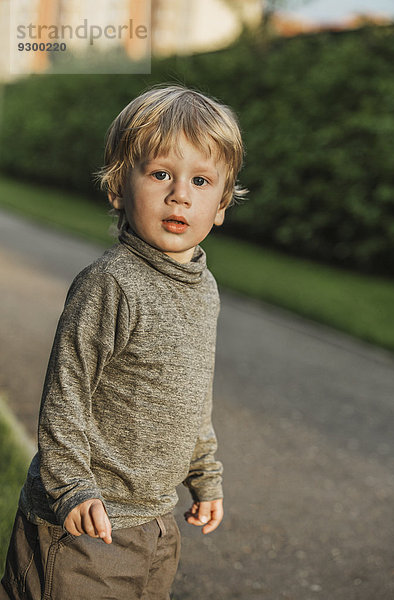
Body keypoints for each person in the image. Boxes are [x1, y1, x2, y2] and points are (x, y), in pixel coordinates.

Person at [0, 84, 246, 600]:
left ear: (221, 205)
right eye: (160, 174)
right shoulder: (111, 283)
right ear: (117, 187)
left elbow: (192, 394)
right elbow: (65, 394)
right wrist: (71, 488)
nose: (180, 193)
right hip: (84, 527)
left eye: (201, 181)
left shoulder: (204, 289)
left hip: (155, 526)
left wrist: (205, 473)